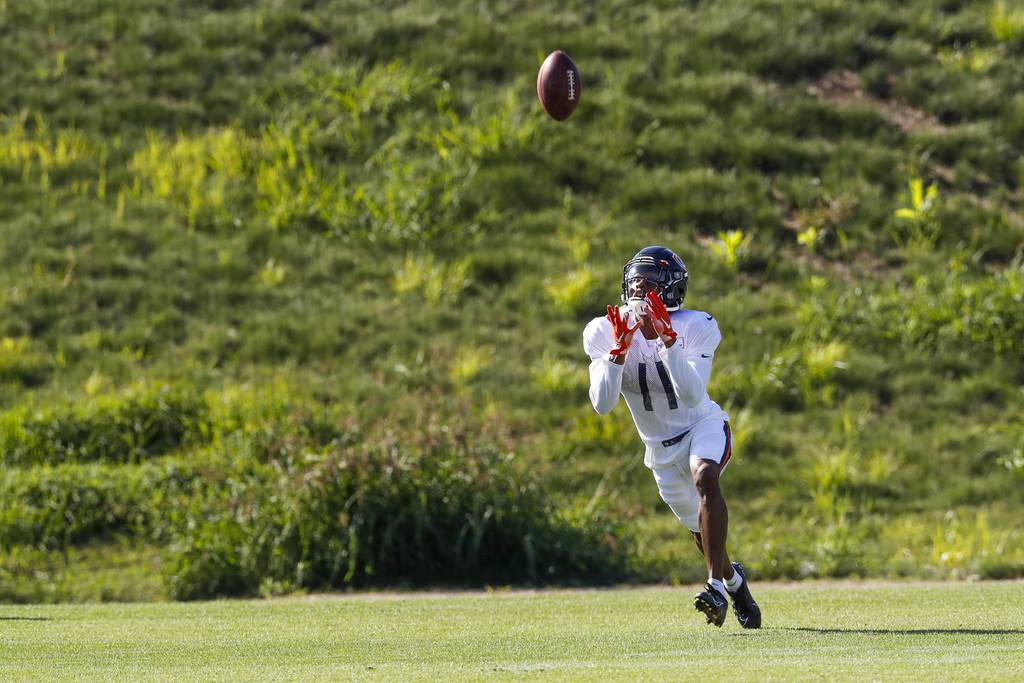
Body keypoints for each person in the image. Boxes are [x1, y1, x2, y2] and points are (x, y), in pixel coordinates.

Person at [582, 245, 761, 628]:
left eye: (650, 283)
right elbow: (602, 404)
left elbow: (694, 394)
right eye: (635, 281)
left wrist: (667, 342)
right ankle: (733, 581)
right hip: (658, 450)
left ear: (671, 289)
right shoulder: (603, 328)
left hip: (702, 426)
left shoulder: (696, 325)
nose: (639, 290)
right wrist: (618, 352)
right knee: (702, 532)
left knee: (705, 477)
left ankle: (713, 585)